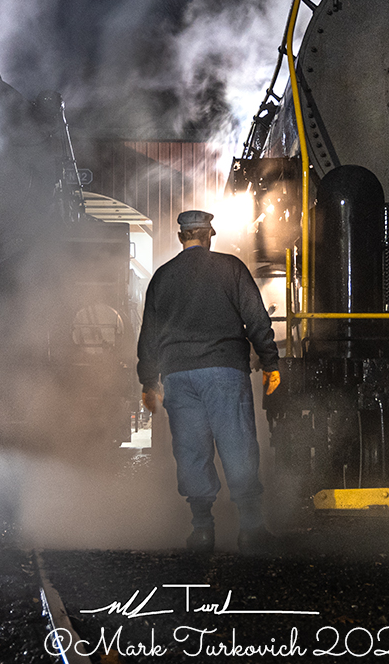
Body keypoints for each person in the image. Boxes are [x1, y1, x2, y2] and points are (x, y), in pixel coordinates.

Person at [137, 210, 282, 554]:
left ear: (180, 238)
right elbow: (255, 317)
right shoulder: (230, 268)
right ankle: (250, 529)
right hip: (223, 370)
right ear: (209, 234)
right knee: (237, 444)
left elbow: (149, 336)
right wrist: (270, 362)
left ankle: (202, 531)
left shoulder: (162, 276)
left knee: (190, 449)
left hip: (177, 376)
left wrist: (148, 381)